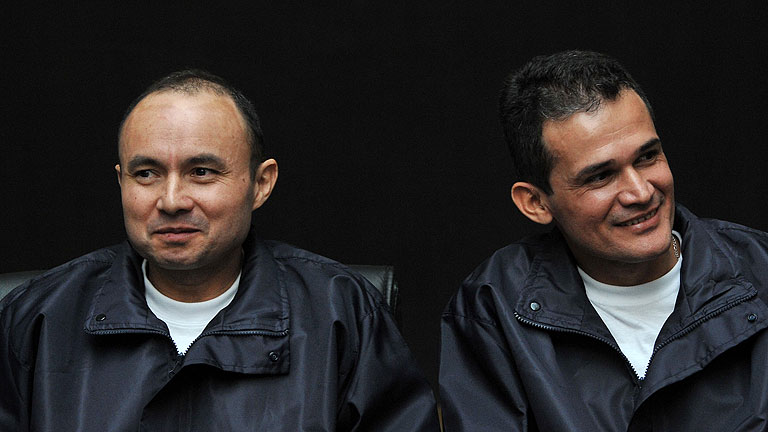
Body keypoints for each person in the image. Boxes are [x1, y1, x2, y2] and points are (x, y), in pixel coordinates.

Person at [0, 70, 439, 431]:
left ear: (261, 183)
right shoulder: (37, 320)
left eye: (202, 172)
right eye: (147, 173)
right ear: (121, 182)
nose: (172, 200)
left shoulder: (341, 313)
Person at [439, 50, 768, 431]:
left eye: (647, 157)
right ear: (536, 203)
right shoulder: (494, 307)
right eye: (600, 176)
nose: (641, 192)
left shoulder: (760, 270)